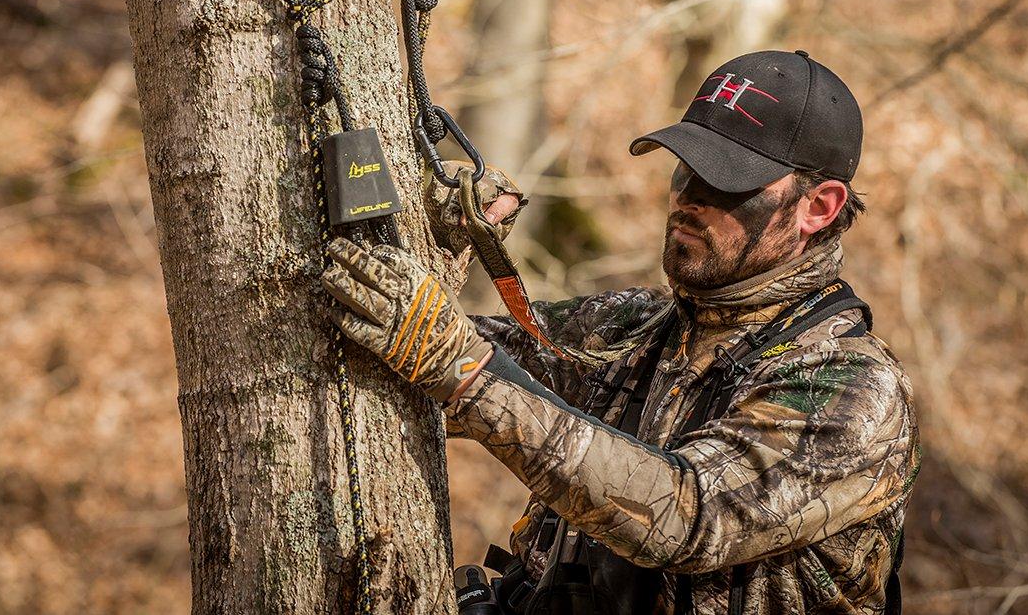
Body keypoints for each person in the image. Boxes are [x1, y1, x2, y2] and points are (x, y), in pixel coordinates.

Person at [320, 50, 921, 614]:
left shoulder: (852, 388)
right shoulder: (631, 328)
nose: (688, 199)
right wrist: (443, 248)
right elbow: (408, 352)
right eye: (687, 169)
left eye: (727, 183)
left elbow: (686, 516)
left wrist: (462, 370)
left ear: (818, 207)